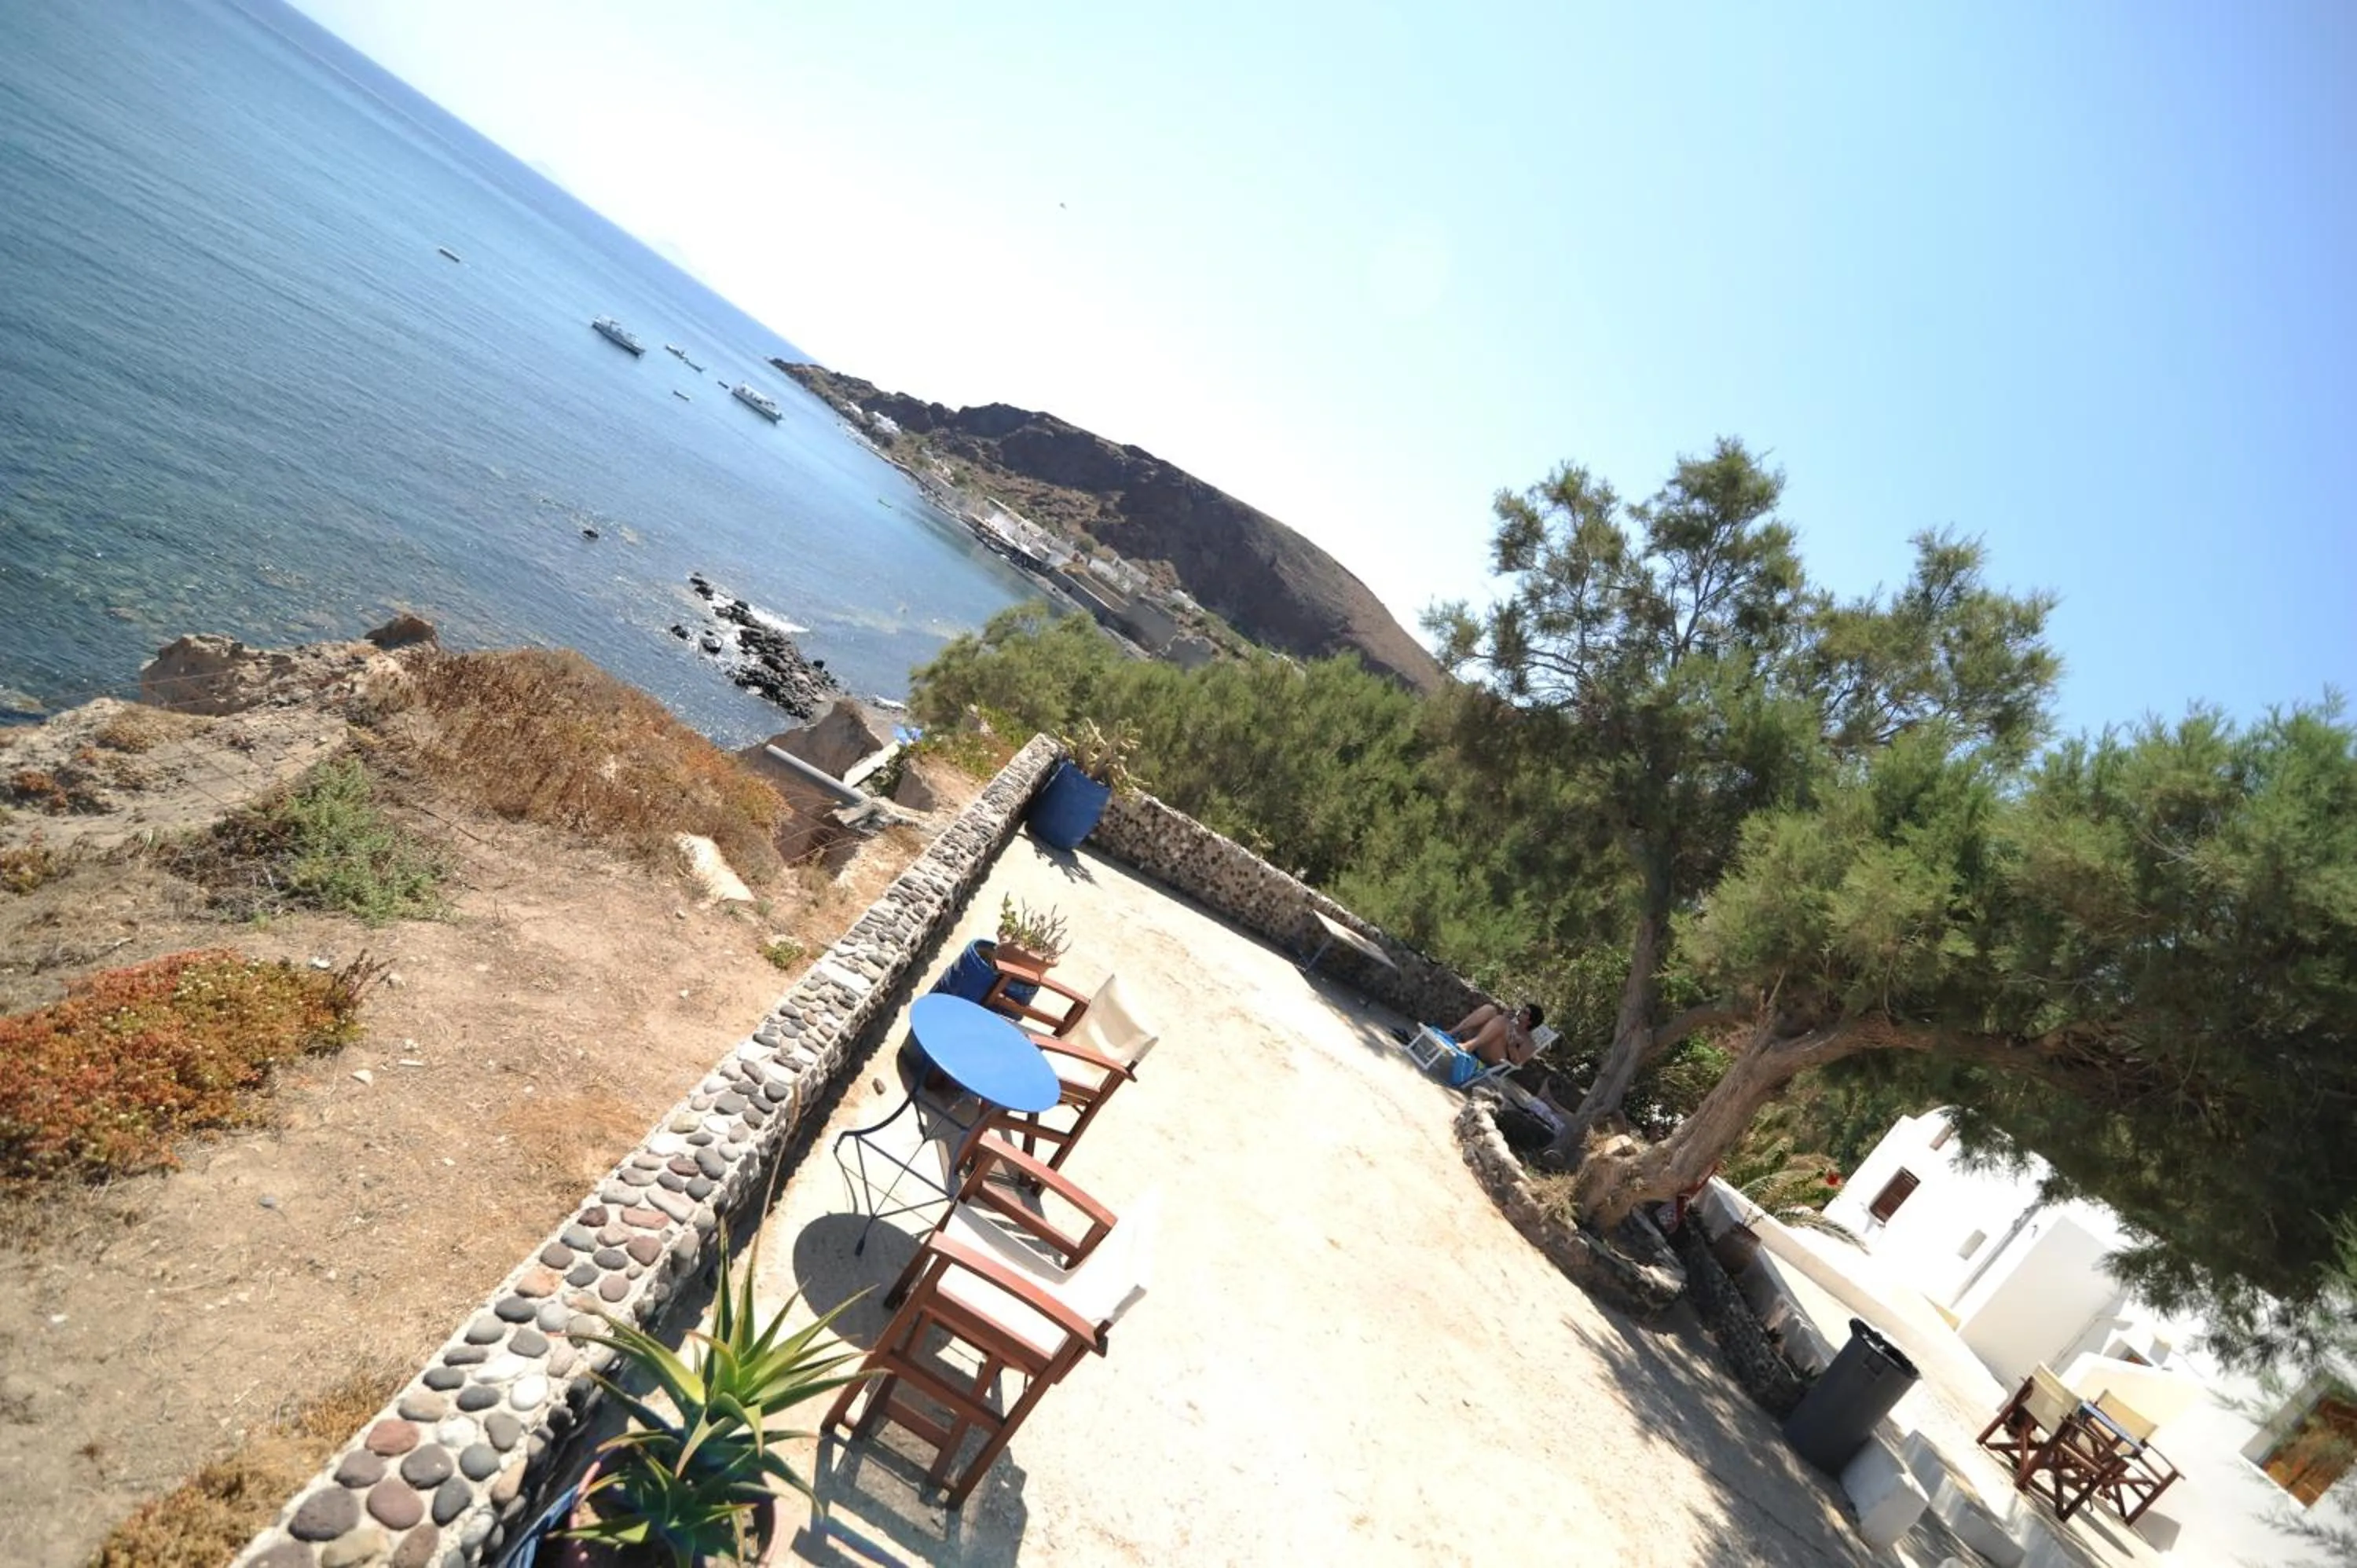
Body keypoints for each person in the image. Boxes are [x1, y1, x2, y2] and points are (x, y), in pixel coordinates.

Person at [1445, 1001, 1545, 1068]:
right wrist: (1505, 1018)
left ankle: (1469, 1046)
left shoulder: (1529, 1043)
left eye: (1525, 1012)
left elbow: (1516, 1063)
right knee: (1490, 1009)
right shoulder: (1509, 1023)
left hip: (1494, 1058)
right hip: (1480, 1044)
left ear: (1531, 1021)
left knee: (1501, 1020)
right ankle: (1452, 1032)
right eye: (1522, 1010)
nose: (1520, 1012)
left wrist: (1512, 1046)